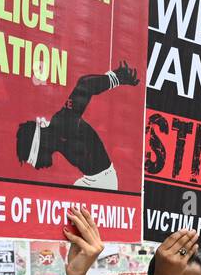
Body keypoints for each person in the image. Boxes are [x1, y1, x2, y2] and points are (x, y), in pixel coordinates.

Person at [16, 61, 140, 189]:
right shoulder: (55, 134)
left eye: (31, 159)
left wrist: (115, 78)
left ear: (37, 145)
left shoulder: (61, 124)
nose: (35, 166)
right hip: (92, 180)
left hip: (102, 183)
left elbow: (84, 85)